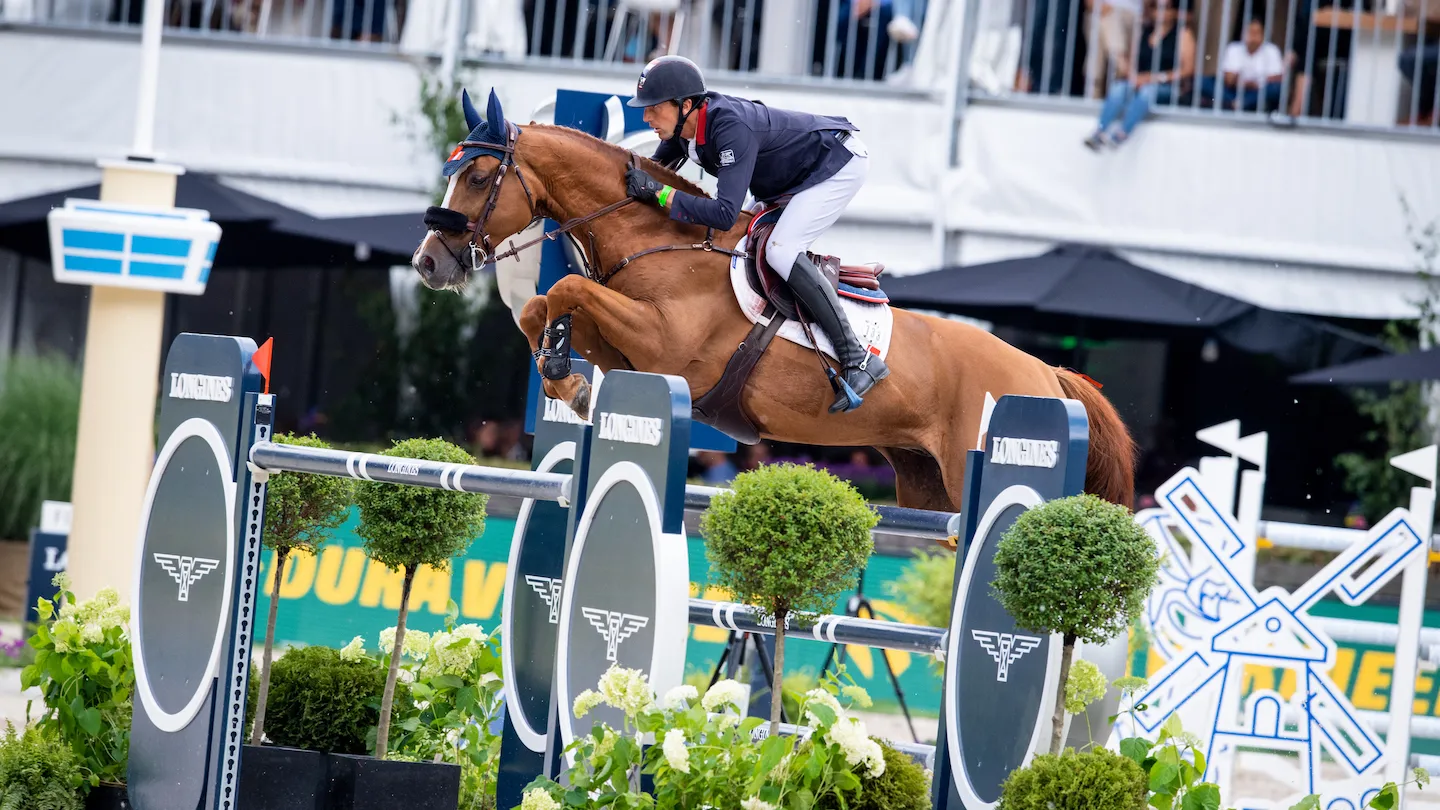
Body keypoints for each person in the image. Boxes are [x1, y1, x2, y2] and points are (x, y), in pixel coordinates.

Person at [620, 55, 889, 414]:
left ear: (685, 105)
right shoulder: (683, 128)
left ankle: (857, 359)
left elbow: (722, 213)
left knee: (779, 251)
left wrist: (660, 194)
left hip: (836, 165)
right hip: (789, 177)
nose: (646, 117)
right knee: (744, 244)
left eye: (653, 108)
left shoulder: (728, 127)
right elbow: (648, 174)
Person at [1082, 0, 1195, 149]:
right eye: (1156, 7)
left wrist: (1157, 77)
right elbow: (1132, 61)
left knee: (1146, 93)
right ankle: (1100, 131)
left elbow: (1188, 69)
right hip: (1141, 82)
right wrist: (1134, 76)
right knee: (1119, 88)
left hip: (1167, 85)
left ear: (1174, 12)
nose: (1160, 12)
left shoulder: (1183, 34)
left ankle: (1122, 133)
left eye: (1166, 7)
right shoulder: (1144, 31)